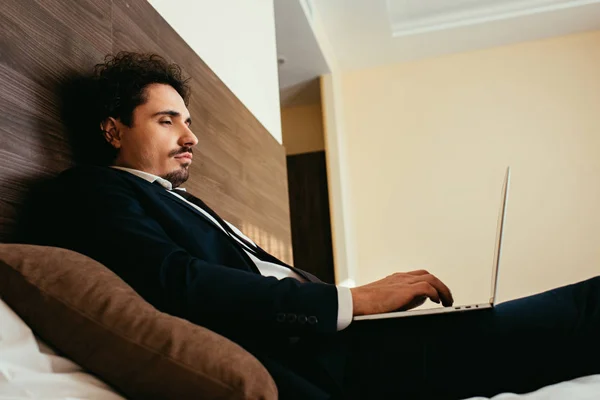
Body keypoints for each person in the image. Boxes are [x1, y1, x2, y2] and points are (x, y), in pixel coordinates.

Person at [31, 52, 600, 400]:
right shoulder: (93, 191)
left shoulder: (182, 201)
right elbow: (180, 283)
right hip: (329, 363)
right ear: (112, 130)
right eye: (167, 119)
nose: (191, 136)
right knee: (581, 314)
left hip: (344, 339)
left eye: (189, 120)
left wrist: (357, 301)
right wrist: (351, 301)